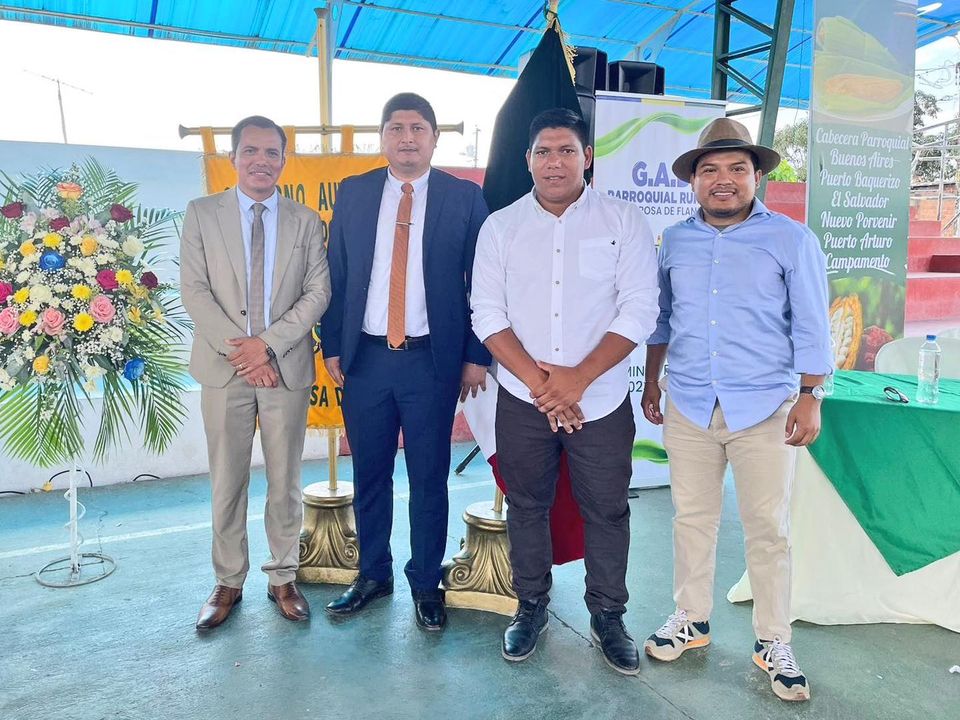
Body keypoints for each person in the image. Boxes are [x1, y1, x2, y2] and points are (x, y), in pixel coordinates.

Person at [640, 117, 831, 701]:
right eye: (710, 169)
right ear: (693, 180)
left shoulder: (791, 239)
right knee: (691, 518)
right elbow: (662, 319)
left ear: (756, 176)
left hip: (766, 406)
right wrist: (652, 382)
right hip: (690, 401)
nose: (723, 180)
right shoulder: (674, 240)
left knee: (768, 530)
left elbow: (812, 322)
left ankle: (774, 640)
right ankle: (691, 619)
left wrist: (811, 394)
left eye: (736, 169)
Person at [470, 108, 659, 674]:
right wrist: (543, 386)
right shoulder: (500, 227)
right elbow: (487, 314)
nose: (555, 162)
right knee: (527, 505)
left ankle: (608, 615)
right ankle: (530, 606)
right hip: (522, 400)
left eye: (567, 151)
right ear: (527, 160)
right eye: (544, 152)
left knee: (607, 509)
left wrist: (578, 379)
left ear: (588, 157)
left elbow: (640, 308)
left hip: (599, 401)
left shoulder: (623, 220)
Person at [320, 93, 491, 631]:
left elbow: (484, 282)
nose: (407, 138)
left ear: (435, 138)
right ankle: (373, 574)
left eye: (418, 128)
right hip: (366, 359)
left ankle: (425, 582)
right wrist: (331, 345)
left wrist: (476, 356)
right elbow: (337, 272)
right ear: (383, 137)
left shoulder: (464, 198)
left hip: (431, 363)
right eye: (396, 128)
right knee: (369, 472)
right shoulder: (355, 192)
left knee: (428, 477)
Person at [180, 115, 331, 631]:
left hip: (284, 369)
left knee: (286, 479)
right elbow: (194, 292)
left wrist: (265, 347)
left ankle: (283, 576)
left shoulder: (306, 220)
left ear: (284, 160)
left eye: (271, 153)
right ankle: (227, 580)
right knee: (227, 479)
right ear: (234, 157)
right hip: (224, 370)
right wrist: (244, 355)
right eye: (251, 151)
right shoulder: (202, 214)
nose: (261, 161)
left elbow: (318, 293)